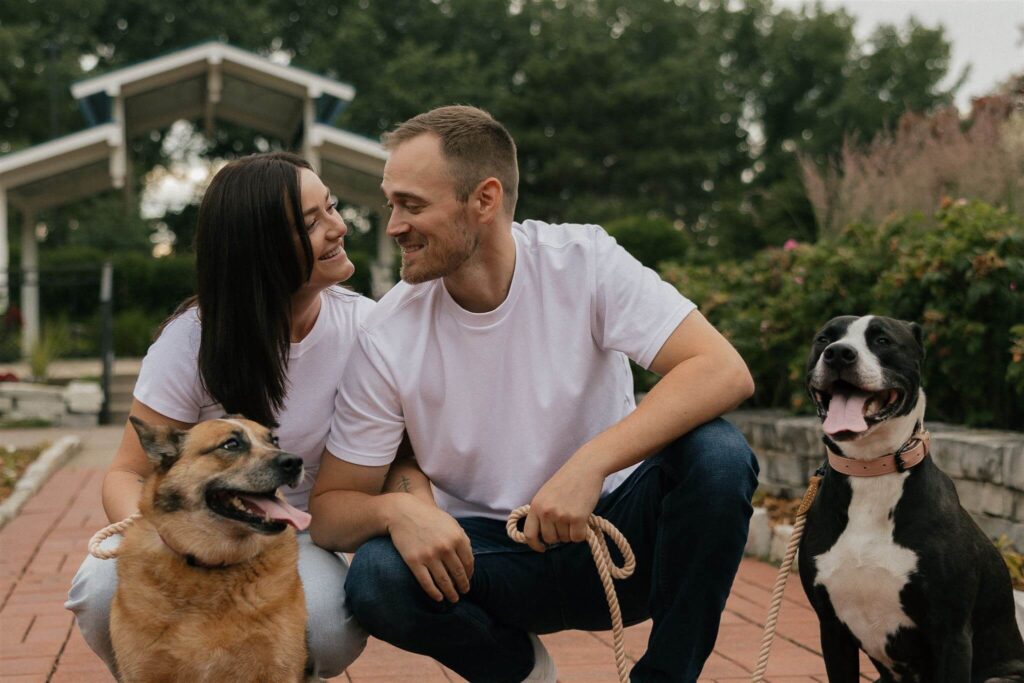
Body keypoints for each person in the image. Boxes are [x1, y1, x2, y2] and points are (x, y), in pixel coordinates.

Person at [309, 106, 760, 683]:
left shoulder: (583, 262)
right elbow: (330, 512)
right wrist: (396, 510)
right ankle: (521, 670)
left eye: (412, 204)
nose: (392, 224)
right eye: (391, 202)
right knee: (377, 576)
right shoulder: (386, 332)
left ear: (485, 200)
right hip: (491, 564)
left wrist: (588, 466)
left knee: (718, 454)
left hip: (621, 543)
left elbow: (723, 370)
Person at [66, 152, 370, 680]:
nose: (339, 227)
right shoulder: (192, 339)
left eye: (333, 208)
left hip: (293, 530)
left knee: (325, 624)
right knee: (98, 590)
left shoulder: (367, 329)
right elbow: (128, 470)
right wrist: (167, 540)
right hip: (192, 528)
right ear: (261, 246)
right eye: (312, 222)